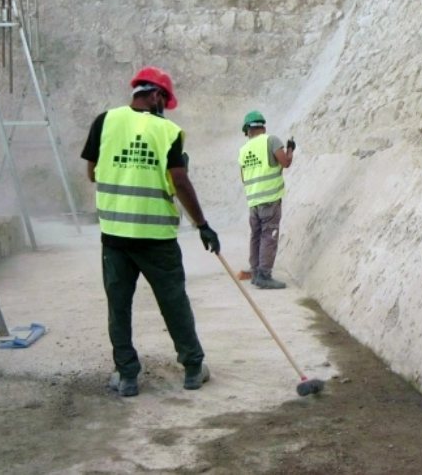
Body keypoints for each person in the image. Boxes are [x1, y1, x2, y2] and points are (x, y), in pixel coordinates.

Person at [80, 66, 220, 397]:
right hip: (157, 239)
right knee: (174, 303)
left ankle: (127, 377)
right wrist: (202, 225)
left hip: (115, 237)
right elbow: (179, 181)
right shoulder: (167, 131)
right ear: (156, 95)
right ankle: (193, 369)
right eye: (164, 101)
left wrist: (124, 169)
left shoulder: (104, 121)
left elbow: (92, 173)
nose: (164, 108)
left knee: (119, 307)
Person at [239, 110, 295, 289]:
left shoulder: (243, 150)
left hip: (253, 202)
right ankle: (264, 275)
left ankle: (255, 272)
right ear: (263, 126)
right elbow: (285, 162)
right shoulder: (271, 141)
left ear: (247, 130)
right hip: (270, 200)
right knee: (269, 236)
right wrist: (290, 149)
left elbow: (244, 178)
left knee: (255, 236)